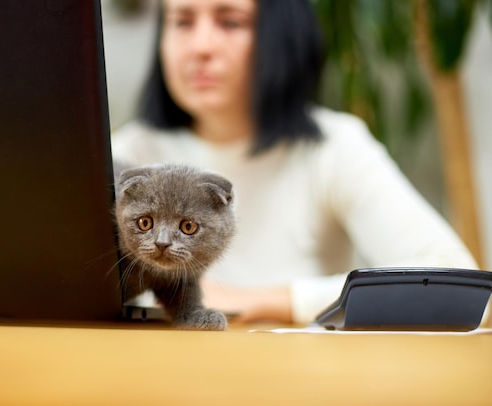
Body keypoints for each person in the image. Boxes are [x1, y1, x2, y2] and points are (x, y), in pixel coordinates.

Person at [110, 0, 478, 324]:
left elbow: (459, 284)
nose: (200, 46)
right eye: (182, 21)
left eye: (231, 21)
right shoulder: (131, 154)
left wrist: (270, 301)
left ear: (281, 35)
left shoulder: (335, 147)